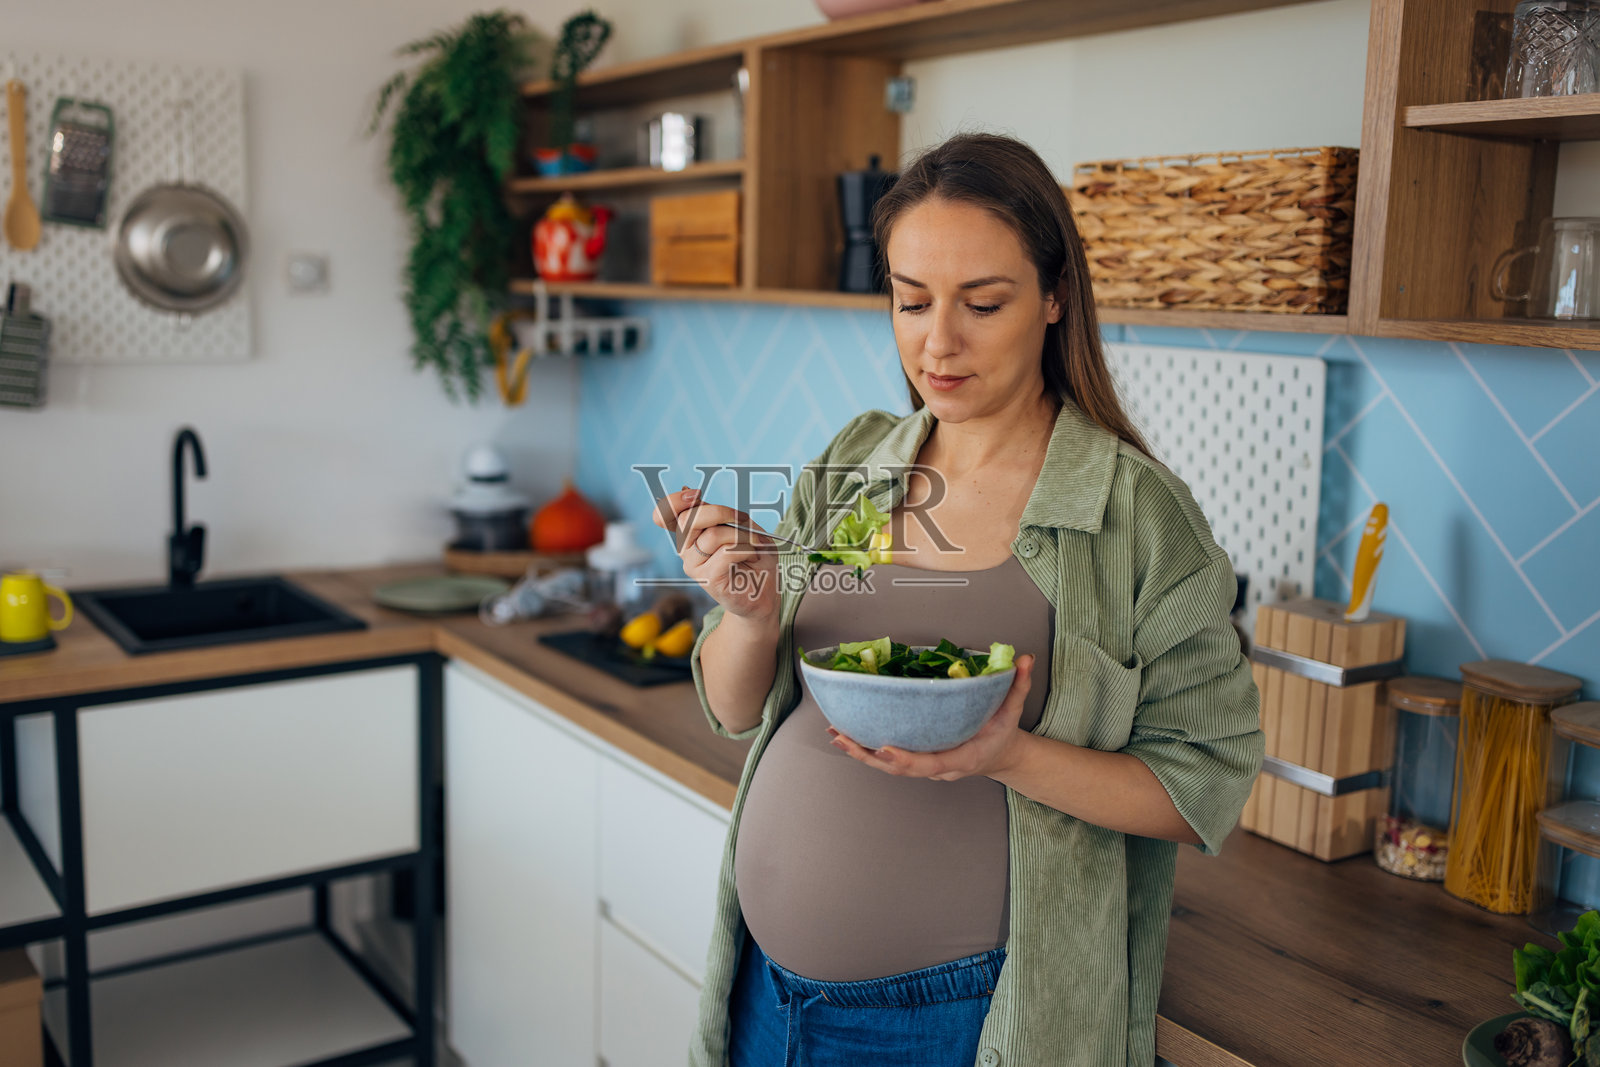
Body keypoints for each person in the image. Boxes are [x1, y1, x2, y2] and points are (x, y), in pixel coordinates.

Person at [653, 132, 1264, 1067]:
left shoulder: (1130, 513)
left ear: (1055, 297)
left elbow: (1205, 781)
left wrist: (1008, 755)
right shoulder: (860, 462)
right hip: (761, 992)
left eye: (982, 303)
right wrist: (752, 612)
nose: (938, 342)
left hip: (958, 1020)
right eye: (911, 300)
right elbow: (737, 711)